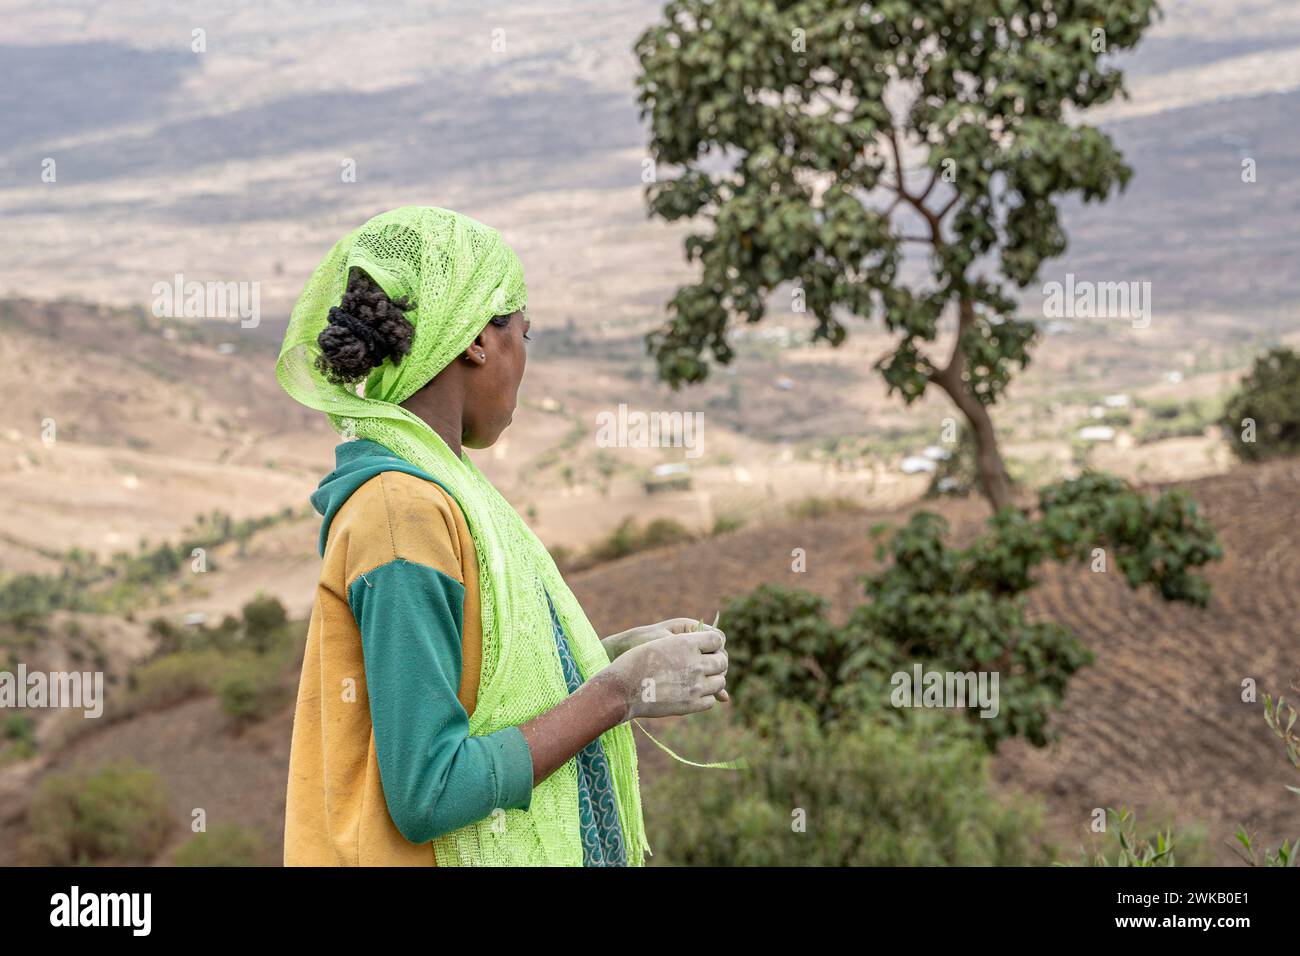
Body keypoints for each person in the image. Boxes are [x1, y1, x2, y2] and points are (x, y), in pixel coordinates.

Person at [277, 206, 728, 866]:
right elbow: (430, 792)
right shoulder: (401, 513)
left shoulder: (442, 489)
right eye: (525, 331)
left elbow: (468, 694)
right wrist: (615, 695)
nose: (525, 359)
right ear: (477, 340)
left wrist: (597, 663)